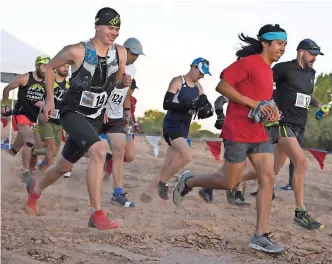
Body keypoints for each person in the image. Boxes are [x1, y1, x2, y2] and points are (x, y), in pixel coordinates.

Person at [171, 24, 286, 254]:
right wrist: (253, 103)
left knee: (268, 175)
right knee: (229, 183)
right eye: (279, 44)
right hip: (238, 131)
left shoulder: (269, 70)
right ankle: (189, 181)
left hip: (258, 131)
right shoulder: (248, 63)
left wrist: (271, 110)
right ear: (265, 43)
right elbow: (222, 85)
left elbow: (260, 101)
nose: (283, 49)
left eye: (285, 45)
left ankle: (260, 235)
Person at [24, 7, 132, 230]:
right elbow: (51, 67)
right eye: (110, 27)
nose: (114, 32)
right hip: (72, 112)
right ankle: (96, 214)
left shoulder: (120, 53)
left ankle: (35, 190)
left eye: (117, 28)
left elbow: (117, 81)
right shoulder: (77, 51)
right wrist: (50, 100)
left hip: (95, 116)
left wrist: (125, 82)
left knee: (62, 166)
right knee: (99, 150)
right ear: (97, 26)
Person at [238, 39, 325, 230]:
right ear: (301, 52)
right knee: (301, 162)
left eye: (317, 54)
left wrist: (319, 105)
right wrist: (264, 104)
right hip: (282, 123)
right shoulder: (284, 68)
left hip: (299, 125)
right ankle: (300, 212)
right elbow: (262, 82)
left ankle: (230, 180)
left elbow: (306, 96)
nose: (315, 58)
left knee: (270, 172)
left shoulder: (311, 74)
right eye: (312, 53)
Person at [140, 57, 213, 202]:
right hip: (172, 125)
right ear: (193, 67)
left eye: (204, 74)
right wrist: (189, 105)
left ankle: (147, 194)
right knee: (187, 156)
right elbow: (166, 104)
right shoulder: (178, 81)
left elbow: (204, 102)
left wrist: (208, 109)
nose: (202, 76)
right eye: (201, 72)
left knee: (167, 166)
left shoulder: (198, 87)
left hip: (184, 127)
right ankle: (163, 183)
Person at [101, 37, 144, 208]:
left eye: (138, 55)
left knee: (120, 152)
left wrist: (127, 114)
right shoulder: (110, 61)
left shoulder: (133, 69)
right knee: (78, 153)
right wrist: (103, 108)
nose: (136, 57)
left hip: (116, 114)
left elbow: (126, 92)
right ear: (125, 50)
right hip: (99, 111)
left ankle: (117, 193)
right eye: (134, 54)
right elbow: (101, 85)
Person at [1, 55, 49, 180]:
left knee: (15, 149)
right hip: (21, 115)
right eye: (44, 66)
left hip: (33, 119)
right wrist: (5, 105)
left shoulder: (47, 82)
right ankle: (25, 171)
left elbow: (48, 101)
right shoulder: (25, 78)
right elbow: (7, 89)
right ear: (37, 65)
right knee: (30, 141)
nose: (46, 70)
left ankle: (2, 161)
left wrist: (45, 105)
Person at [198, 95, 250, 206]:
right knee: (233, 166)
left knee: (244, 166)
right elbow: (219, 100)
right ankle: (208, 187)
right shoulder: (238, 89)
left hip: (248, 132)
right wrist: (221, 116)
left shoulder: (259, 90)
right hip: (234, 132)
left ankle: (237, 194)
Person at [37, 63, 70, 171]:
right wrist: (41, 107)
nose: (66, 68)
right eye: (63, 66)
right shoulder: (48, 83)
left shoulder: (69, 86)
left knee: (54, 151)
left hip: (59, 122)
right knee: (51, 148)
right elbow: (36, 98)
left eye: (68, 66)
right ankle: (47, 174)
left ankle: (34, 152)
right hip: (46, 120)